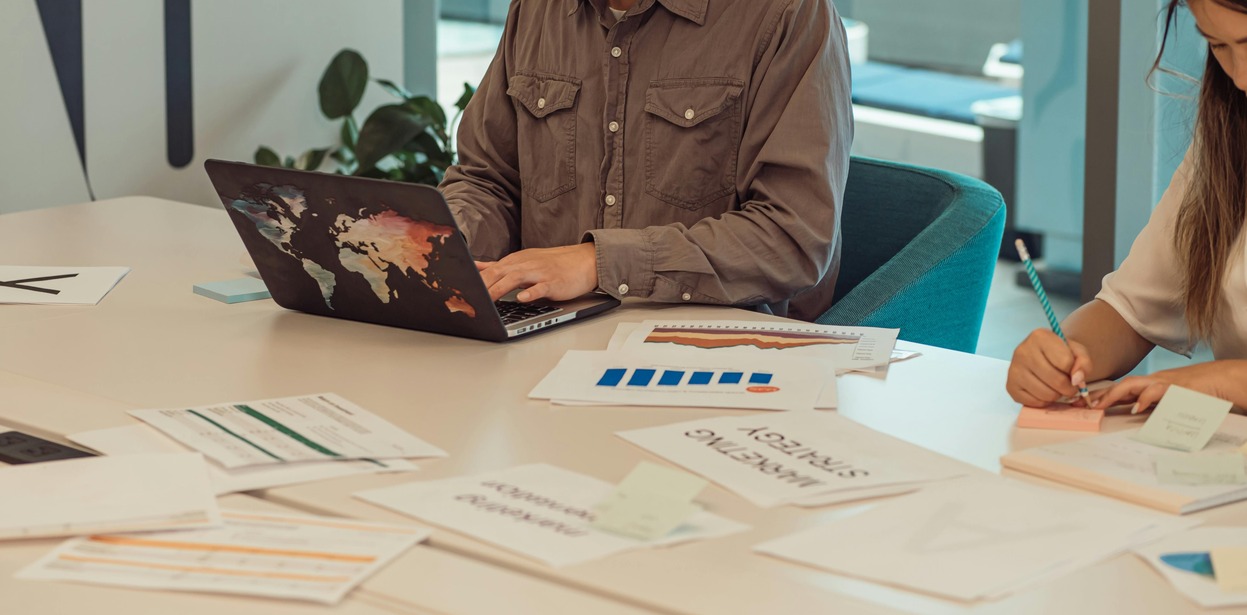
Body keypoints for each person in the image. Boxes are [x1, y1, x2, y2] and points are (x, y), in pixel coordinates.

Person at [439, 0, 853, 322]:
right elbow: (488, 180)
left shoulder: (788, 12)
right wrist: (446, 241)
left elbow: (793, 238)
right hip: (542, 336)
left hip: (713, 357)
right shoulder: (535, 9)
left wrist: (598, 263)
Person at [1006, 0, 1247, 411]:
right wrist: (1065, 357)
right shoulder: (1227, 140)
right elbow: (1132, 309)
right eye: (1219, 46)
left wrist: (1231, 380)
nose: (1241, 79)